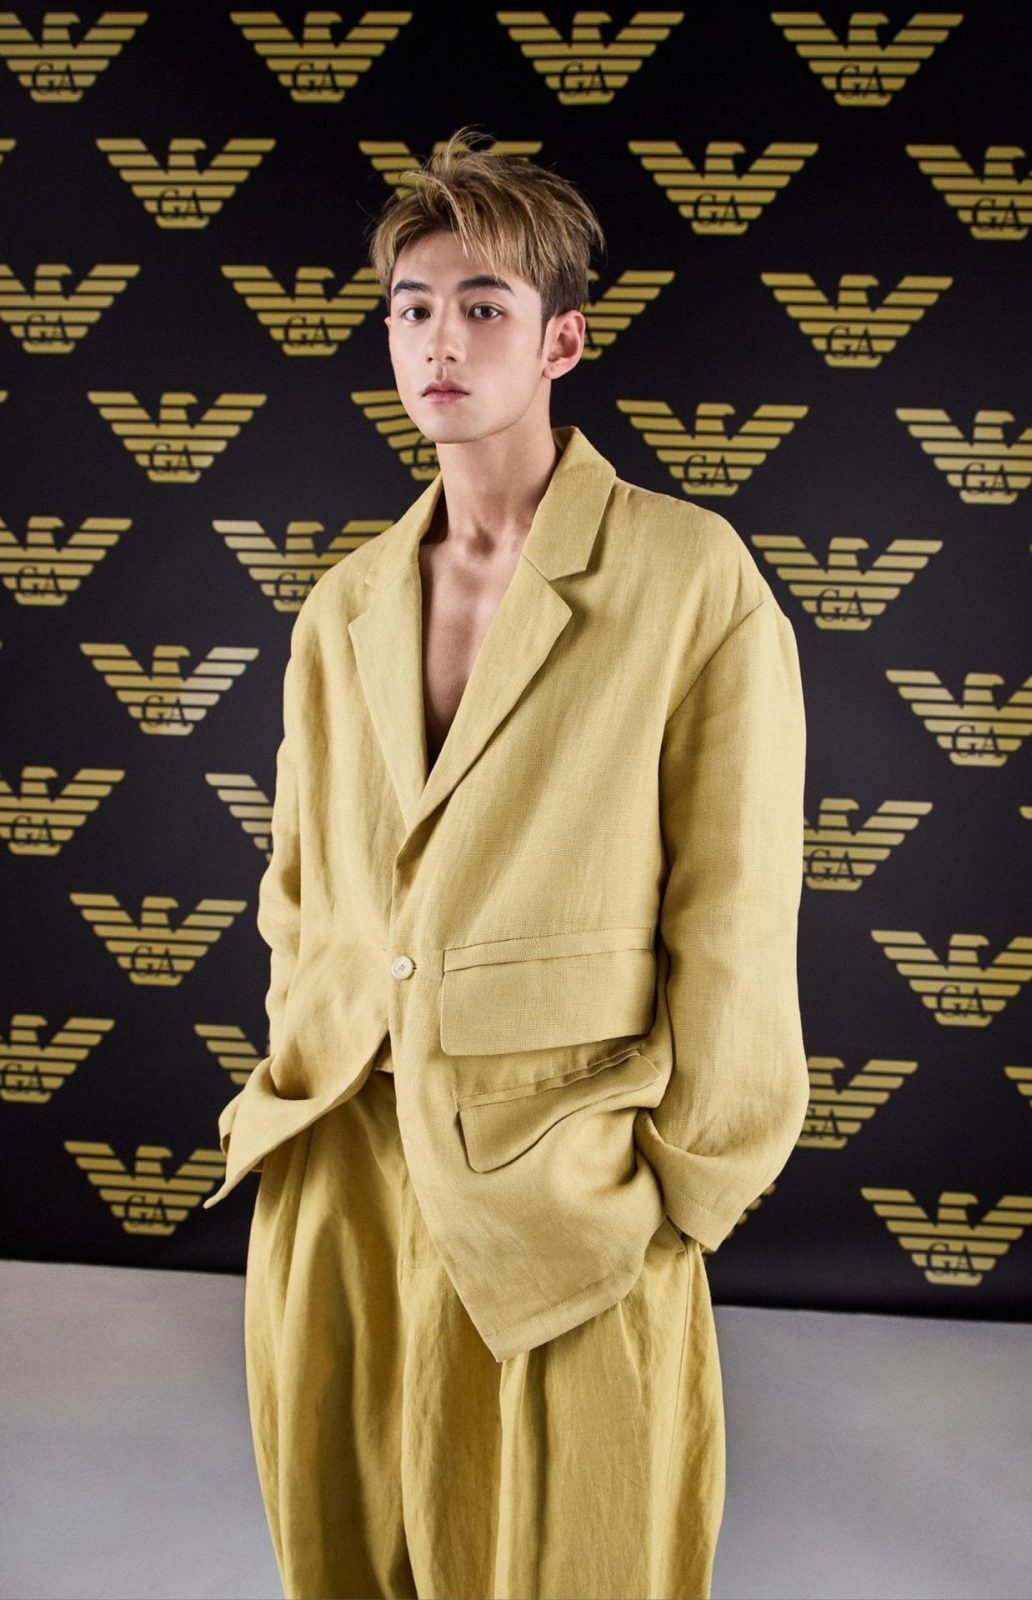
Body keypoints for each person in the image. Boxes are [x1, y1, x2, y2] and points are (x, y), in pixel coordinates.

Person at [204, 127, 810, 1600]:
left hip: (566, 1173)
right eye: (413, 305)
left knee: (571, 1551)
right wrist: (303, 1060)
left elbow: (734, 909)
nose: (440, 339)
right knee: (346, 1550)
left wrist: (681, 1186)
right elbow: (303, 881)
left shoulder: (690, 577)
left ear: (561, 342)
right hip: (339, 1154)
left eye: (484, 306)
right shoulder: (345, 604)